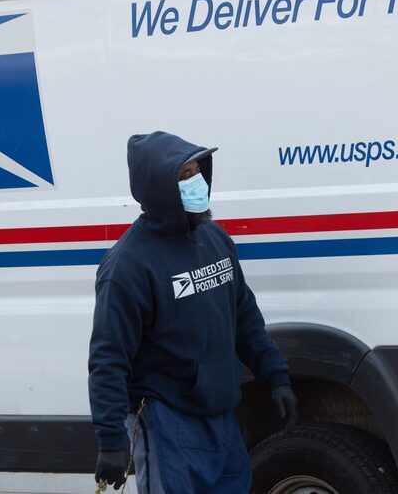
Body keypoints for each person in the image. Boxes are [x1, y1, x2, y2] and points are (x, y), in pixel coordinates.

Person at [88, 131, 298, 493]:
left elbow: (244, 316)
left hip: (222, 417)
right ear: (158, 188)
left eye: (197, 171)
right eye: (184, 176)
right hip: (168, 422)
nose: (197, 182)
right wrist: (111, 439)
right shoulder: (128, 266)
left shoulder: (215, 240)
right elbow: (108, 358)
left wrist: (276, 376)